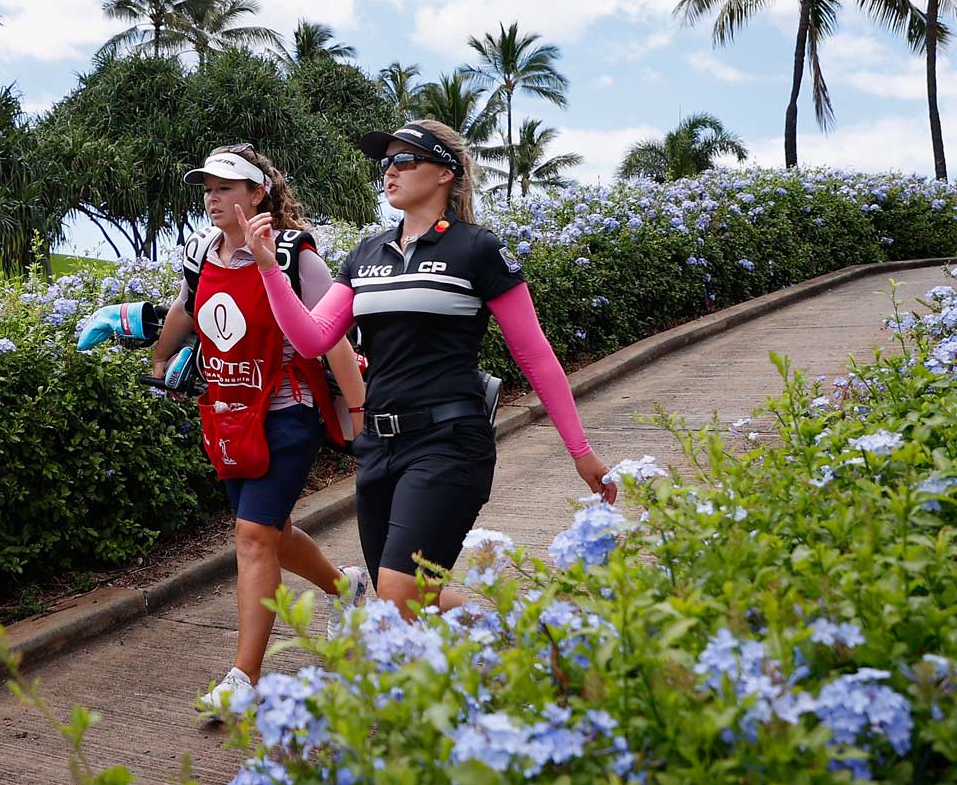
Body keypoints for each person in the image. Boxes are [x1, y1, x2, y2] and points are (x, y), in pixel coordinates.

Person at [251, 119, 614, 620]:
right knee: (405, 594)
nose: (389, 172)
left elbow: (535, 355)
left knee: (400, 594)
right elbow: (312, 338)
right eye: (385, 163)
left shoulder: (477, 250)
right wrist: (270, 269)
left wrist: (581, 451)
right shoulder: (365, 255)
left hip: (448, 441)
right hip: (378, 446)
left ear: (445, 173)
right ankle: (502, 645)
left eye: (404, 160)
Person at [90, 143, 371, 718]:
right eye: (207, 189)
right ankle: (348, 590)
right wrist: (159, 365)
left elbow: (335, 337)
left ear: (257, 194)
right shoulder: (200, 251)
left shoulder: (296, 257)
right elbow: (188, 309)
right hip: (226, 415)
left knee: (250, 534)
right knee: (271, 533)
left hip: (288, 413)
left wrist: (361, 416)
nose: (212, 198)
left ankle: (244, 676)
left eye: (225, 188)